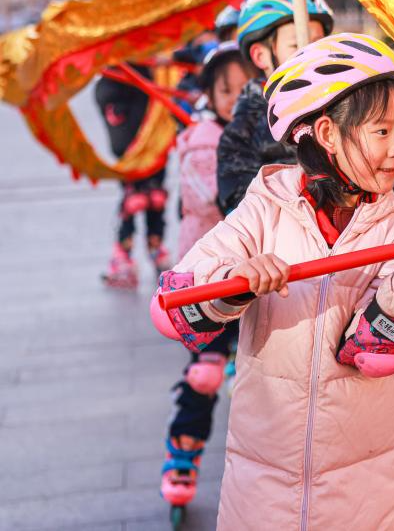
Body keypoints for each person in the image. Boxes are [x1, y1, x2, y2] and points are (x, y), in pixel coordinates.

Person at [164, 33, 394, 529]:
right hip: (263, 486)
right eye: (381, 132)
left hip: (366, 491)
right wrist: (238, 282)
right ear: (327, 134)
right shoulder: (262, 210)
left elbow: (372, 356)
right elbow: (173, 309)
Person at [160, 41, 249, 511]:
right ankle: (183, 453)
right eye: (225, 88)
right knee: (205, 373)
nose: (235, 95)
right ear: (209, 94)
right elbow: (209, 198)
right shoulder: (201, 139)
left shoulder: (262, 133)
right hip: (209, 280)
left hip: (257, 277)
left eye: (244, 86)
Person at [216, 0, 334, 215]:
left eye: (318, 43)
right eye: (296, 45)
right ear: (261, 56)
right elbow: (242, 212)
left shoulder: (342, 112)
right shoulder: (243, 132)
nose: (311, 54)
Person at [96, 65, 172, 288]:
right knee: (133, 201)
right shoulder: (111, 80)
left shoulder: (154, 72)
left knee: (156, 200)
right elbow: (113, 121)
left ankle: (157, 250)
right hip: (131, 153)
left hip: (156, 149)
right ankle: (123, 257)